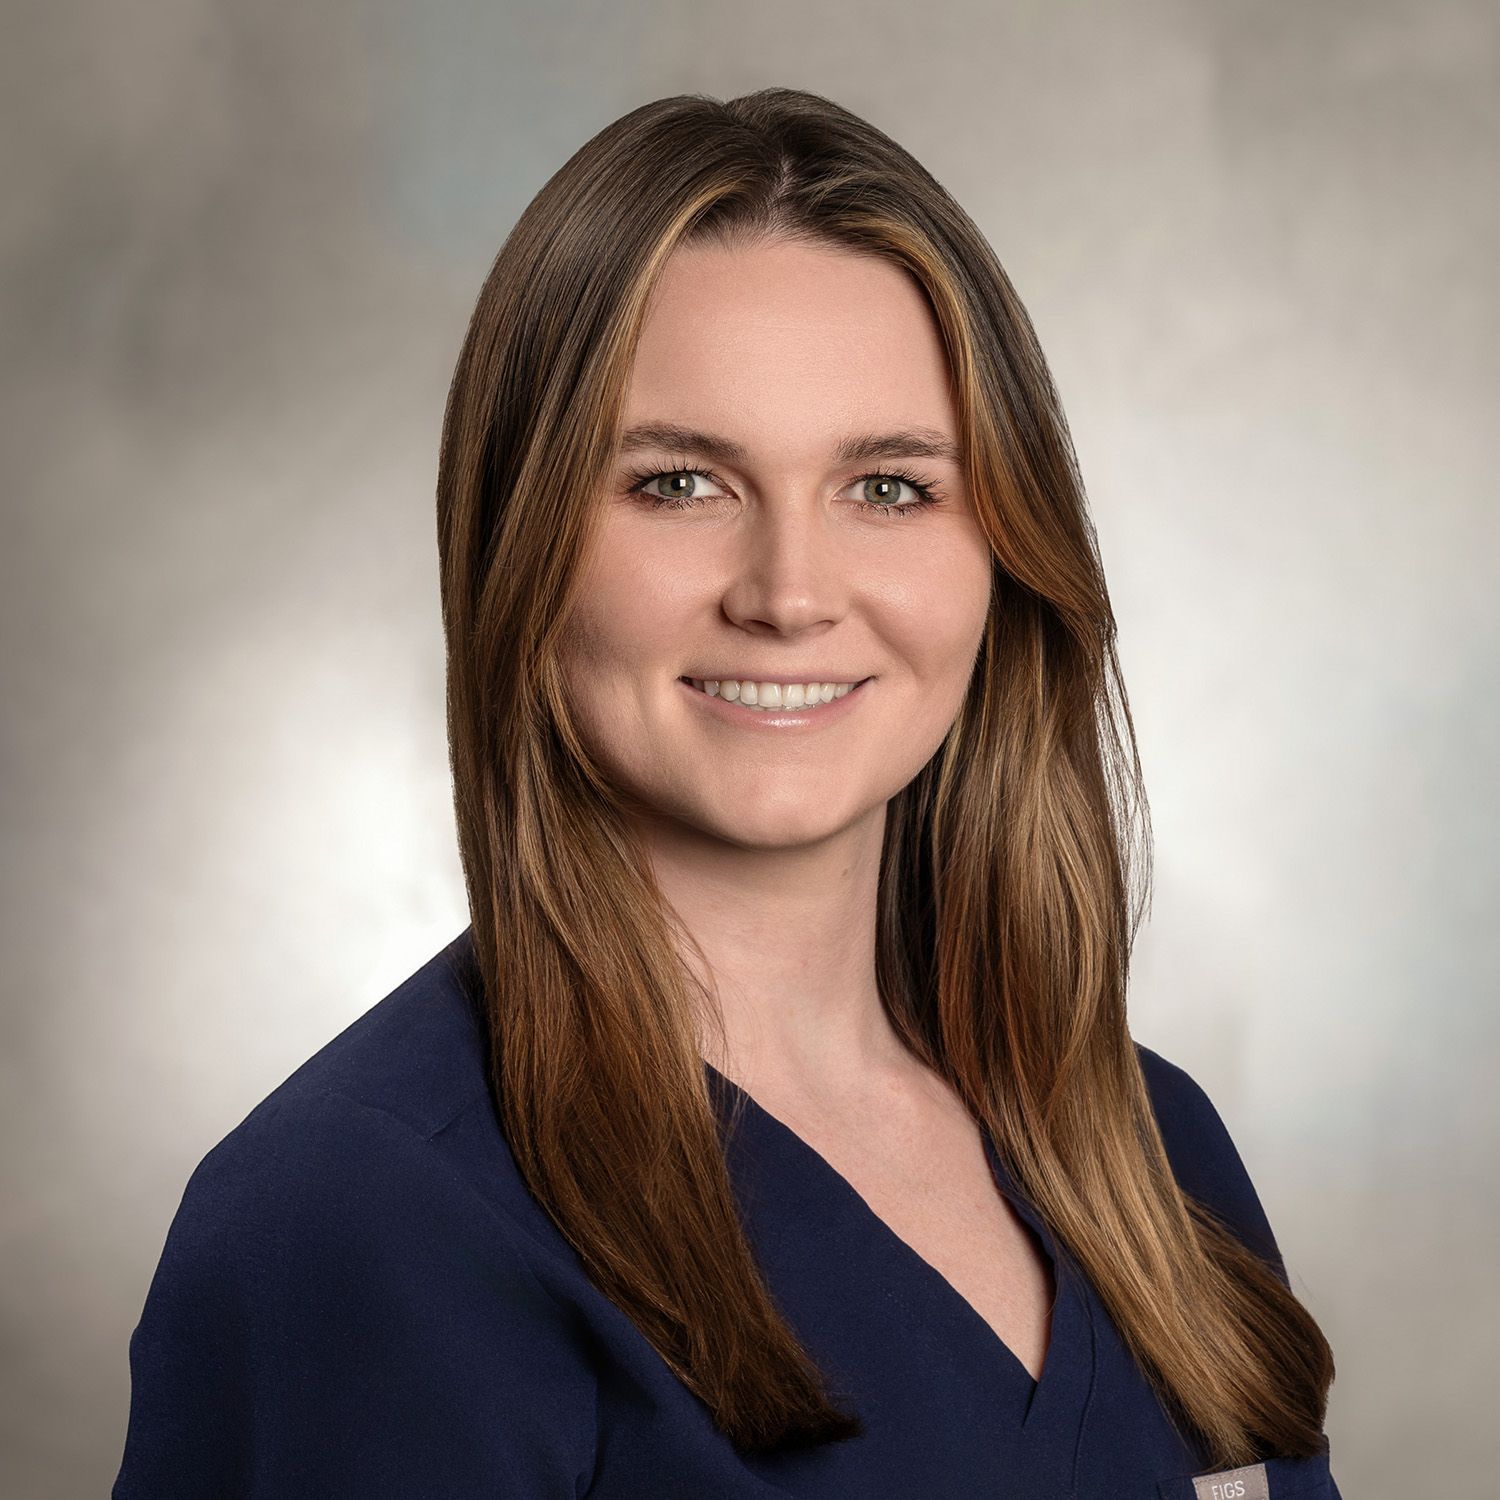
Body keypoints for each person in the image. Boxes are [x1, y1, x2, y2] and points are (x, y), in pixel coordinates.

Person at [112, 87, 1343, 1497]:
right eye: (680, 482)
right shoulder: (357, 1221)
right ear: (522, 542)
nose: (790, 595)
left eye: (887, 487)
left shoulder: (1148, 1151)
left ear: (1006, 553)